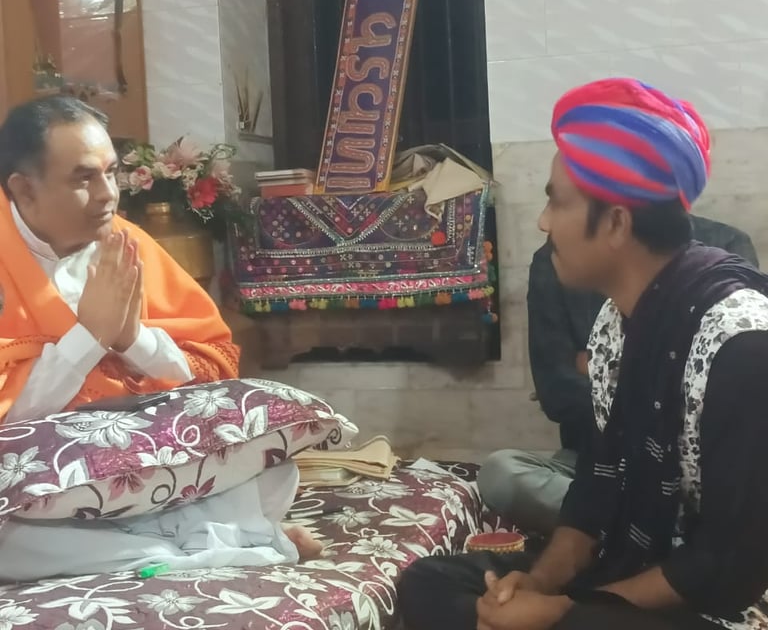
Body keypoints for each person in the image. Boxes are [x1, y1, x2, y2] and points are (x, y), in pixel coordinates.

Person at [398, 77, 768, 630]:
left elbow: (729, 567)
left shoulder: (742, 345)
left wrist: (564, 611)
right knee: (430, 582)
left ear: (616, 222)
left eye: (556, 201)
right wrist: (541, 583)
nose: (543, 222)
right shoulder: (615, 323)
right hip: (631, 563)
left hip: (727, 602)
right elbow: (597, 482)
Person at [0, 96, 320, 577]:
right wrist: (88, 338)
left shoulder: (127, 243)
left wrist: (133, 339)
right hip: (41, 483)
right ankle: (201, 547)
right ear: (24, 191)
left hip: (138, 465)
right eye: (84, 179)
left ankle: (177, 542)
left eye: (111, 173)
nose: (108, 195)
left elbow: (209, 372)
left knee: (274, 466)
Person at [478, 218, 759, 535]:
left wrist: (595, 365)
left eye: (559, 201)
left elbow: (728, 385)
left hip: (695, 473)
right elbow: (556, 393)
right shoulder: (556, 259)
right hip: (595, 461)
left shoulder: (726, 246)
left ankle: (634, 529)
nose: (544, 221)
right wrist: (664, 376)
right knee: (500, 473)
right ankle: (661, 530)